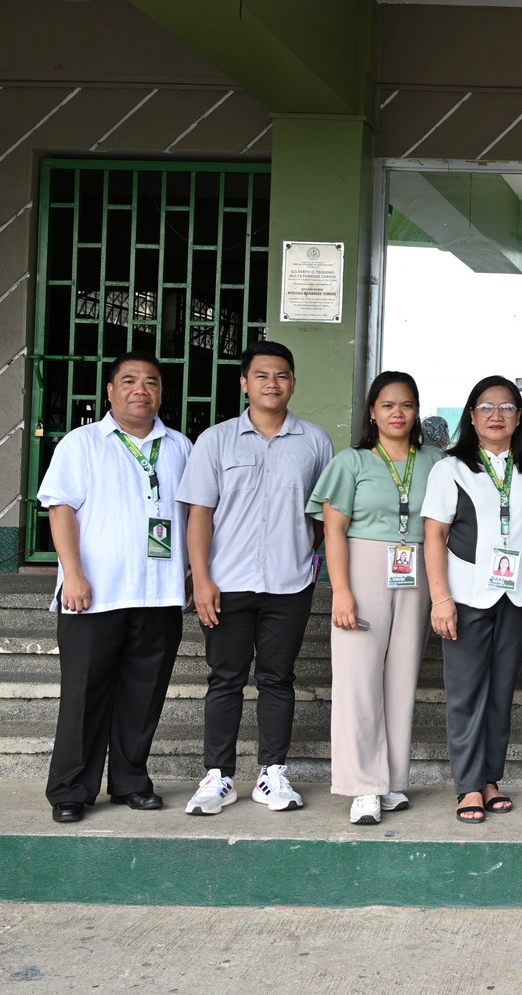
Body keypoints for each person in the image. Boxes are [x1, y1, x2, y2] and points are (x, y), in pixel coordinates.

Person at [178, 341, 335, 817]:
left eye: (282, 375)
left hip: (289, 583)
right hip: (227, 582)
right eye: (262, 375)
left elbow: (325, 514)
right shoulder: (216, 440)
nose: (273, 383)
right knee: (225, 678)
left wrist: (309, 559)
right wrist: (200, 579)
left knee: (277, 678)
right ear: (244, 382)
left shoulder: (315, 441)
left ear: (293, 383)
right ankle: (219, 776)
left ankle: (272, 774)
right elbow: (200, 514)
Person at [40, 352, 194, 824]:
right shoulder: (82, 443)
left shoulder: (180, 446)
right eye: (128, 381)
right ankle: (70, 788)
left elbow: (194, 514)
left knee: (143, 695)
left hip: (159, 594)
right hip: (94, 594)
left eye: (150, 382)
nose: (140, 390)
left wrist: (191, 574)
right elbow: (60, 507)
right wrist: (74, 573)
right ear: (110, 391)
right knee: (84, 694)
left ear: (161, 393)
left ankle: (131, 780)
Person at [308, 371, 444, 825]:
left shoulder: (434, 462)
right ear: (372, 411)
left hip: (417, 570)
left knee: (402, 677)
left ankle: (390, 781)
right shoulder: (352, 462)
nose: (397, 413)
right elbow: (333, 530)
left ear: (417, 411)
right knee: (357, 679)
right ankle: (361, 785)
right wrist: (340, 591)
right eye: (388, 405)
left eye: (406, 405)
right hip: (363, 568)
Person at [422, 377, 522, 824]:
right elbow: (435, 536)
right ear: (472, 416)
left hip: (517, 598)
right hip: (465, 597)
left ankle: (490, 779)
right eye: (486, 407)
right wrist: (440, 598)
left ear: (519, 417)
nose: (496, 415)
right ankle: (467, 785)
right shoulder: (451, 469)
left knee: (501, 692)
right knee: (465, 693)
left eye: (506, 407)